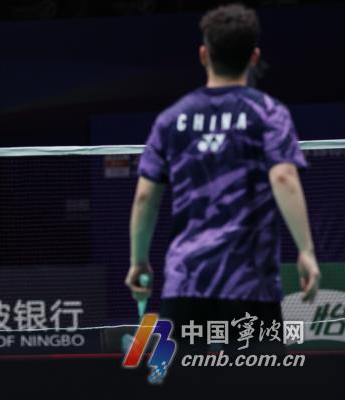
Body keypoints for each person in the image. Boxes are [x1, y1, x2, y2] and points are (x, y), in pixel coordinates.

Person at [126, 4, 320, 355]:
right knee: (256, 378)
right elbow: (284, 177)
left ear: (204, 54)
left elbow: (144, 197)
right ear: (254, 57)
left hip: (187, 282)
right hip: (251, 284)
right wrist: (305, 251)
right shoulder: (269, 113)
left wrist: (139, 260)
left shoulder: (171, 119)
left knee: (182, 378)